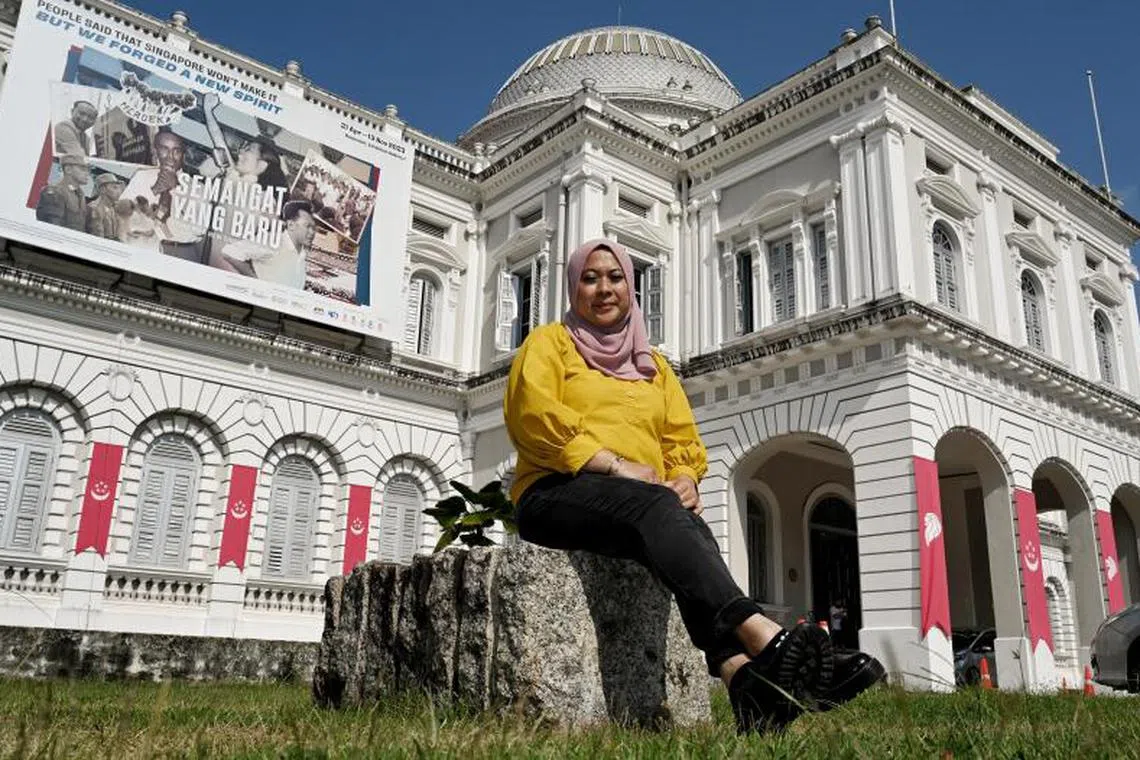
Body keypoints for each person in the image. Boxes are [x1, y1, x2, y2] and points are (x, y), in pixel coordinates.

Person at [504, 239, 885, 733]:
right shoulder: (549, 343)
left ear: (631, 286)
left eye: (615, 277)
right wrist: (613, 465)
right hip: (554, 493)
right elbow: (532, 416)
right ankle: (766, 638)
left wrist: (684, 476)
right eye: (590, 278)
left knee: (687, 525)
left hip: (637, 503)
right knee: (659, 509)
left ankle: (743, 679)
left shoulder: (653, 366)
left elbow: (679, 437)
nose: (603, 289)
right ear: (573, 287)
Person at [121, 130, 208, 259]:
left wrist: (176, 190)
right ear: (155, 151)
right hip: (145, 248)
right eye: (164, 149)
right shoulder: (141, 176)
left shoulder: (197, 187)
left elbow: (200, 230)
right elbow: (123, 216)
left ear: (183, 156)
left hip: (182, 252)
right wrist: (154, 190)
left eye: (177, 151)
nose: (170, 157)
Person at [216, 200, 313, 289]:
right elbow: (229, 252)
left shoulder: (300, 251)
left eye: (313, 227)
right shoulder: (274, 242)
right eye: (307, 226)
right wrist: (255, 280)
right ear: (291, 225)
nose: (312, 232)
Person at [35, 154, 90, 232]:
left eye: (88, 169)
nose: (87, 173)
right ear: (68, 170)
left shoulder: (80, 194)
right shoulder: (55, 192)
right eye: (83, 169)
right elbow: (52, 228)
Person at [86, 173, 126, 240]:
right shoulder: (94, 209)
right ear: (103, 189)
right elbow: (98, 238)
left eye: (119, 188)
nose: (119, 192)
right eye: (114, 187)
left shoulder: (113, 208)